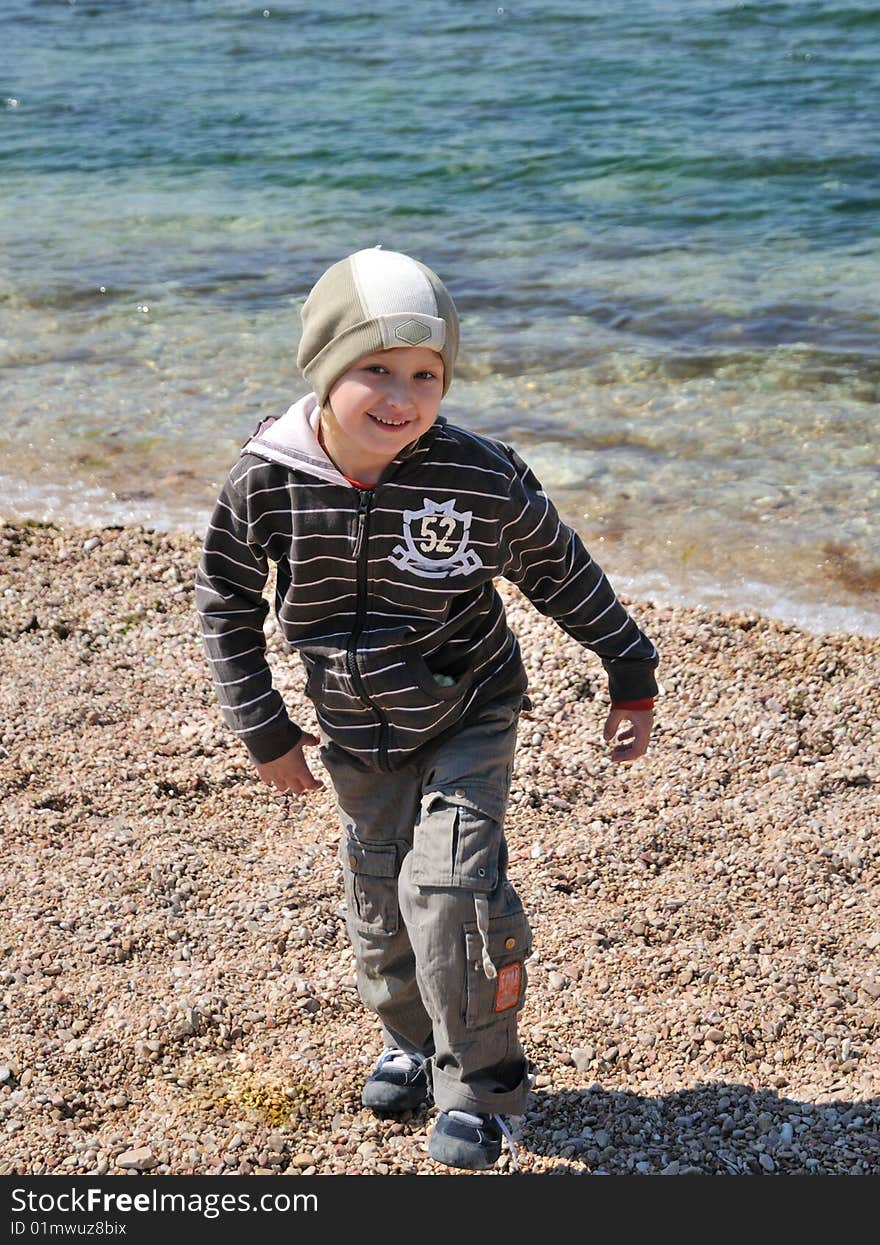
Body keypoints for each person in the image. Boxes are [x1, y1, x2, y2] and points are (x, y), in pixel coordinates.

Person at [195, 247, 658, 1171]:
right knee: (378, 900)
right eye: (376, 369)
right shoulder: (267, 480)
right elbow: (226, 600)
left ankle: (480, 1086)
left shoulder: (476, 477)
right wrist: (264, 726)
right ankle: (411, 1040)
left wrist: (629, 665)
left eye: (425, 374)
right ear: (325, 368)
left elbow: (558, 569)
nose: (400, 395)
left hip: (468, 711)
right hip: (353, 732)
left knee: (446, 893)